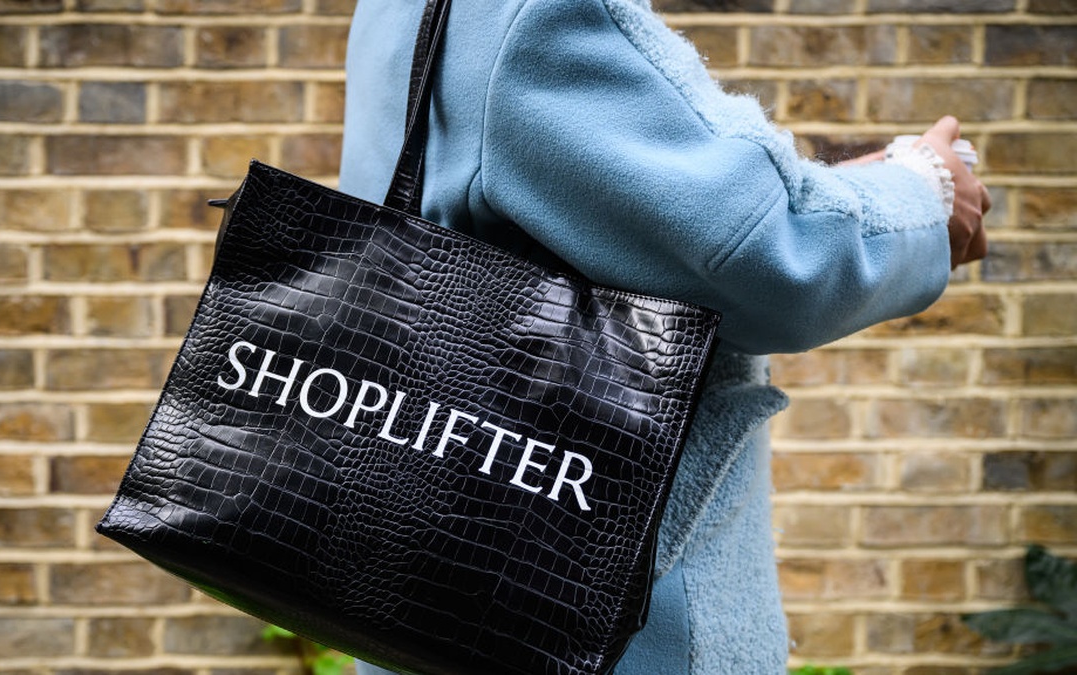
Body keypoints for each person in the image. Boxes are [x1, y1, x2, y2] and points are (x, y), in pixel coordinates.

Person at [336, 0, 990, 672]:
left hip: (428, 595)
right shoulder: (535, 13)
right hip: (596, 619)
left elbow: (570, 205)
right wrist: (926, 190)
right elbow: (768, 259)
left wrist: (832, 191)